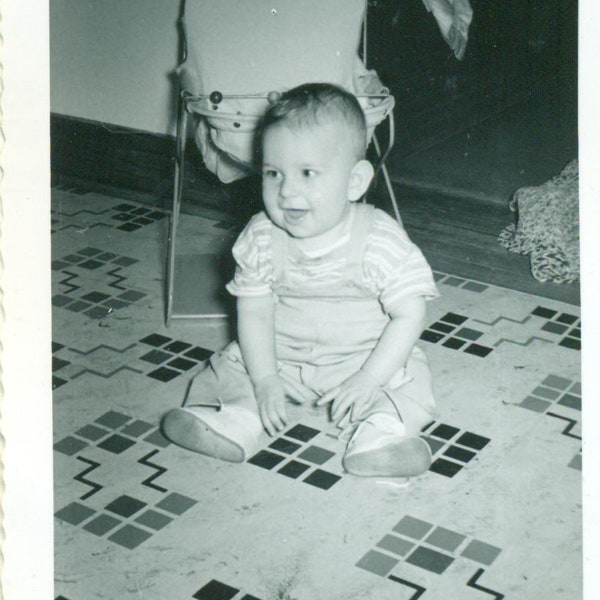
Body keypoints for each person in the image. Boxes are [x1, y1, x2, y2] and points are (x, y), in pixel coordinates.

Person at [162, 83, 440, 478]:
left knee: (405, 380)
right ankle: (236, 421)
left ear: (355, 182)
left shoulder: (379, 239)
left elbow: (409, 316)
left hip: (362, 357)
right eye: (274, 173)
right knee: (234, 365)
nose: (287, 190)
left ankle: (382, 436)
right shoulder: (260, 236)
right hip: (281, 357)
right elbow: (255, 313)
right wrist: (265, 378)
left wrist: (369, 378)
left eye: (308, 173)